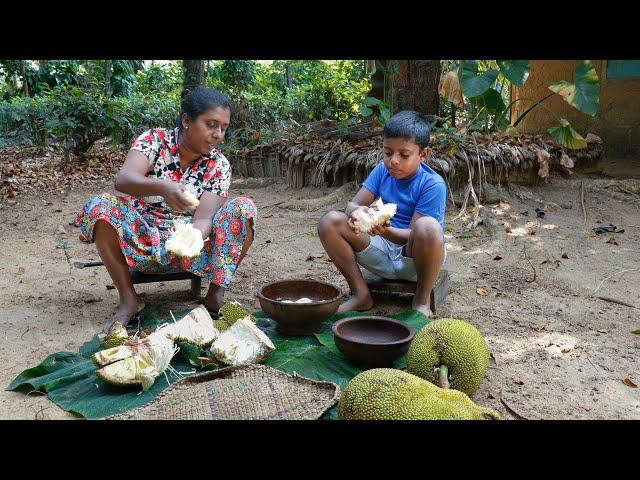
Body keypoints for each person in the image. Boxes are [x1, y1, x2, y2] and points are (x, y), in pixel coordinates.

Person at [74, 87, 257, 333]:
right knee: (101, 205)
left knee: (243, 208)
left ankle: (215, 296)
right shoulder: (154, 140)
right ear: (186, 120)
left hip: (191, 248)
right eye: (211, 124)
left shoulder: (219, 165)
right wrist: (163, 187)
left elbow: (204, 218)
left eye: (223, 128)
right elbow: (124, 180)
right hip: (143, 238)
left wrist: (191, 238)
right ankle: (129, 299)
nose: (217, 134)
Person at [317, 110, 446, 318]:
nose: (393, 161)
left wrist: (384, 231)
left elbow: (415, 234)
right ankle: (361, 294)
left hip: (414, 260)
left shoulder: (433, 184)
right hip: (381, 254)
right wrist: (357, 211)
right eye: (388, 153)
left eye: (404, 155)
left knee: (429, 228)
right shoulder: (382, 171)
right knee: (330, 222)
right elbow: (352, 204)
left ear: (423, 155)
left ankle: (421, 300)